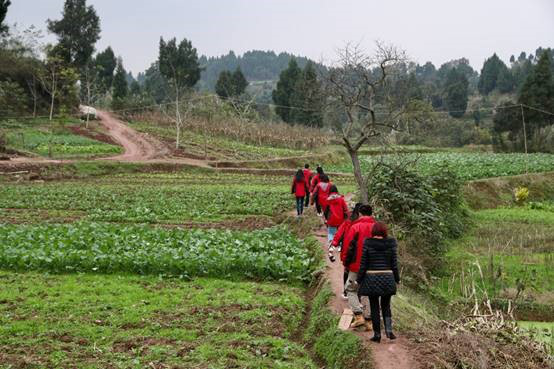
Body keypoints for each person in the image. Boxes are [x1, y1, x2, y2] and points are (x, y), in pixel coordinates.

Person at [357, 222, 400, 343]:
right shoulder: (391, 243)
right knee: (386, 306)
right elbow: (394, 265)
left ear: (373, 231)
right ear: (384, 232)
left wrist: (358, 280)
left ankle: (377, 335)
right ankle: (389, 331)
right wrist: (397, 279)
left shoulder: (368, 243)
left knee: (374, 307)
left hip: (371, 279)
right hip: (387, 277)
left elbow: (363, 264)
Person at [343, 204, 376, 328]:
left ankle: (358, 316)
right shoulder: (376, 227)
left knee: (350, 289)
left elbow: (348, 246)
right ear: (371, 213)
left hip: (356, 265)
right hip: (373, 265)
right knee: (368, 291)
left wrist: (346, 263)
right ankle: (369, 321)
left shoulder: (355, 227)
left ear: (360, 213)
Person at [331, 203, 362, 299]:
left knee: (347, 270)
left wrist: (333, 245)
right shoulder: (368, 224)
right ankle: (358, 295)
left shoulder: (348, 221)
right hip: (362, 250)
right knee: (360, 272)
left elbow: (339, 234)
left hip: (348, 249)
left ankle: (346, 292)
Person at [324, 185, 349, 262]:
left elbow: (326, 211)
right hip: (340, 219)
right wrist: (346, 217)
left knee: (331, 232)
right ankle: (340, 247)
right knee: (340, 233)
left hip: (331, 219)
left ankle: (331, 245)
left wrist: (326, 218)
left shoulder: (328, 200)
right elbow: (345, 209)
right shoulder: (341, 199)